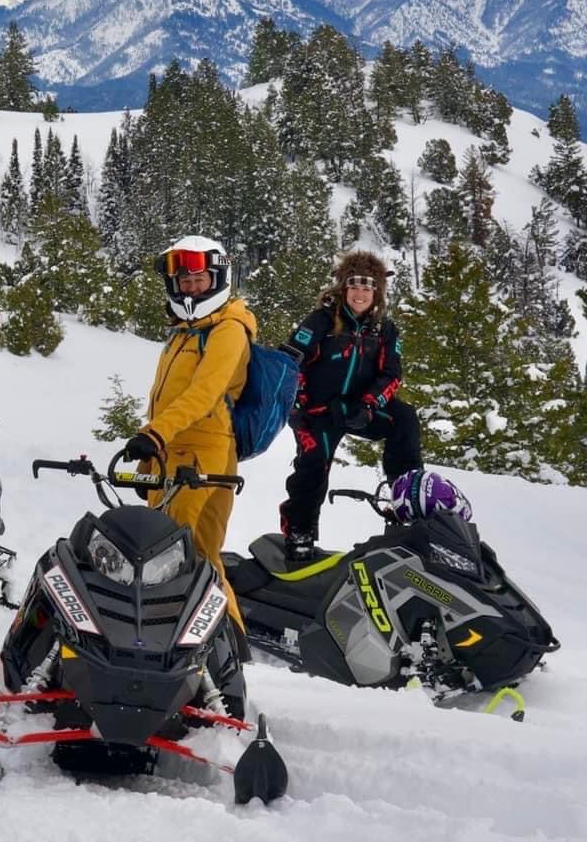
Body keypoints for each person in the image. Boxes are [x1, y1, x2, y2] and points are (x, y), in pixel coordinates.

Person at [120, 235, 253, 623]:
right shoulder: (185, 330)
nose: (191, 288)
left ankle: (199, 649)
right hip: (174, 455)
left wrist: (154, 436)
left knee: (171, 556)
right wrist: (150, 461)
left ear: (216, 279)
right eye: (184, 282)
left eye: (198, 279)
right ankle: (226, 645)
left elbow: (204, 394)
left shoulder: (228, 329)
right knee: (200, 561)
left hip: (203, 455)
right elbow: (162, 400)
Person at [276, 250, 422, 564]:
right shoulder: (322, 320)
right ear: (344, 288)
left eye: (368, 287)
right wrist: (298, 405)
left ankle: (407, 502)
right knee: (313, 463)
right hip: (319, 410)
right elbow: (290, 360)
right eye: (354, 286)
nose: (360, 293)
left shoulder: (384, 329)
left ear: (377, 293)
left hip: (359, 407)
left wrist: (370, 405)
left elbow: (392, 374)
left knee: (405, 419)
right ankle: (299, 531)